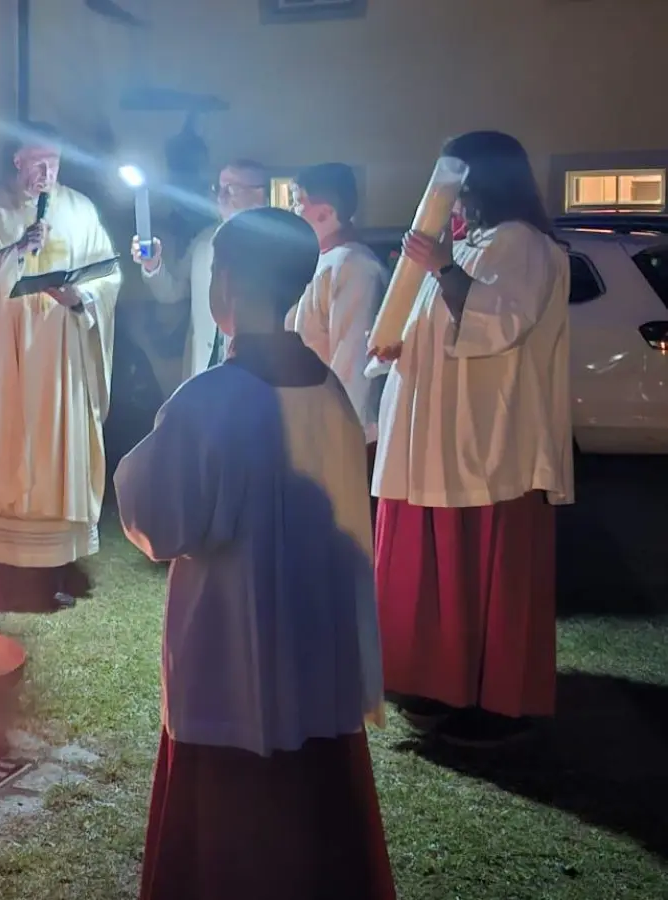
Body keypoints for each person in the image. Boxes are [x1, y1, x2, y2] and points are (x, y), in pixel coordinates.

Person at [115, 207, 394, 900]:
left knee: (230, 847)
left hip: (231, 661)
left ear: (227, 281)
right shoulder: (328, 391)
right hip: (318, 659)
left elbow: (160, 521)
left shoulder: (212, 400)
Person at [370, 131, 572, 747]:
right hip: (436, 430)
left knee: (482, 568)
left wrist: (443, 266)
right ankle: (436, 680)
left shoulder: (522, 242)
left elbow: (501, 322)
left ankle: (493, 697)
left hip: (488, 438)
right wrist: (401, 341)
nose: (447, 191)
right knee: (437, 565)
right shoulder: (468, 243)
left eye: (454, 177)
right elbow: (437, 321)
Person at [0, 123, 120, 609]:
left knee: (57, 452)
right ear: (17, 161)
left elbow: (108, 273)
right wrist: (16, 251)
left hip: (60, 354)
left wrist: (81, 296)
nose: (46, 172)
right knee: (1, 444)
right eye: (37, 162)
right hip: (5, 356)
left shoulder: (80, 210)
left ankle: (55, 567)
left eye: (54, 162)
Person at [138, 159, 269, 382]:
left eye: (232, 189)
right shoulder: (203, 242)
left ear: (259, 194)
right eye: (219, 188)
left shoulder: (277, 246)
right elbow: (172, 292)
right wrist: (153, 265)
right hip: (205, 364)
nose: (221, 197)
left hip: (257, 370)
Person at [286, 162, 388, 450]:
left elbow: (352, 361)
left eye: (298, 202)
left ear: (326, 212)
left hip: (339, 431)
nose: (293, 211)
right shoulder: (322, 260)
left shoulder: (354, 266)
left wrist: (336, 436)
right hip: (310, 418)